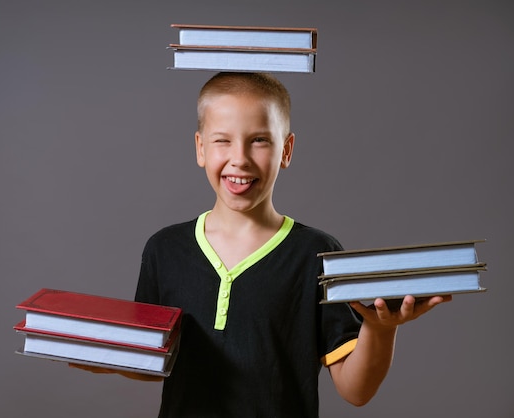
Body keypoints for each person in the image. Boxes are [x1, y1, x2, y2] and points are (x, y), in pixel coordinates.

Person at [76, 72, 451, 417]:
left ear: (286, 150)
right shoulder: (164, 248)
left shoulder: (317, 256)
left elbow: (356, 390)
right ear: (200, 148)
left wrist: (381, 330)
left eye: (259, 141)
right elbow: (154, 364)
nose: (239, 159)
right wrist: (102, 354)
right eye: (222, 140)